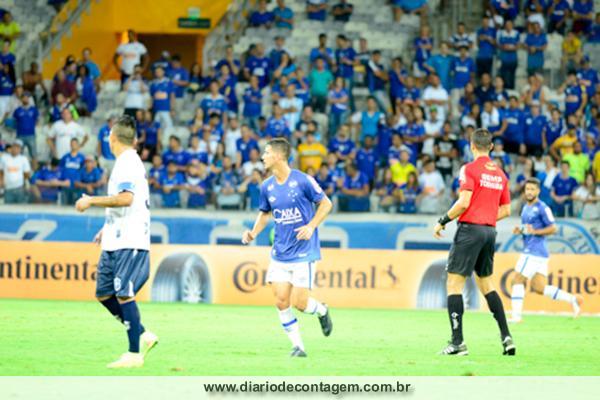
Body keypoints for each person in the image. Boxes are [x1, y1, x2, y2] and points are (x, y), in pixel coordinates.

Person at [75, 115, 158, 368]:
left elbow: (125, 199)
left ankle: (133, 355)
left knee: (124, 295)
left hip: (130, 240)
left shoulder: (128, 163)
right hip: (115, 238)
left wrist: (90, 200)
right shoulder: (124, 162)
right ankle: (142, 334)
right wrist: (106, 227)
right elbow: (126, 202)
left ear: (112, 138)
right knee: (103, 294)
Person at [242, 138, 333, 357]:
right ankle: (298, 347)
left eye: (266, 153)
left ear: (278, 156)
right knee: (281, 301)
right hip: (280, 253)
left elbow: (326, 203)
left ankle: (322, 310)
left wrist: (311, 226)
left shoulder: (303, 180)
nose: (262, 157)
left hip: (303, 252)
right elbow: (265, 214)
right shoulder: (267, 186)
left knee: (300, 304)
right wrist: (253, 232)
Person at [433, 128, 515, 356]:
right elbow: (506, 210)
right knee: (486, 284)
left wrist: (442, 221)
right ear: (491, 147)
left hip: (470, 231)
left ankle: (457, 342)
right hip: (489, 232)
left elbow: (463, 202)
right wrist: (486, 217)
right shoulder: (501, 175)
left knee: (454, 285)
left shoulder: (468, 169)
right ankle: (506, 337)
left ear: (471, 145)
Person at [509, 178, 584, 323]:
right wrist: (521, 230)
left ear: (538, 191)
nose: (529, 192)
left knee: (517, 279)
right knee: (539, 287)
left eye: (532, 189)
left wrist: (535, 232)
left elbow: (553, 228)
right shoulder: (525, 208)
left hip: (533, 251)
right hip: (539, 253)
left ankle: (516, 316)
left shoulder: (543, 208)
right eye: (527, 189)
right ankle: (572, 299)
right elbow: (530, 228)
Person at [13, 93, 39, 159]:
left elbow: (37, 120)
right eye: (24, 97)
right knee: (18, 155)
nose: (25, 99)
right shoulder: (17, 110)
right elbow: (14, 121)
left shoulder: (34, 109)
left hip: (31, 135)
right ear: (21, 99)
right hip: (20, 135)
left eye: (27, 98)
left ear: (29, 99)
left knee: (34, 155)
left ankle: (35, 166)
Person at [150, 66, 175, 131]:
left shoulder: (169, 82)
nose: (157, 73)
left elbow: (172, 96)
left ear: (163, 72)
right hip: (156, 110)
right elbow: (152, 97)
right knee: (157, 128)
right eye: (156, 72)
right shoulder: (153, 83)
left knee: (169, 128)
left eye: (159, 71)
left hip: (166, 109)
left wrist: (172, 109)